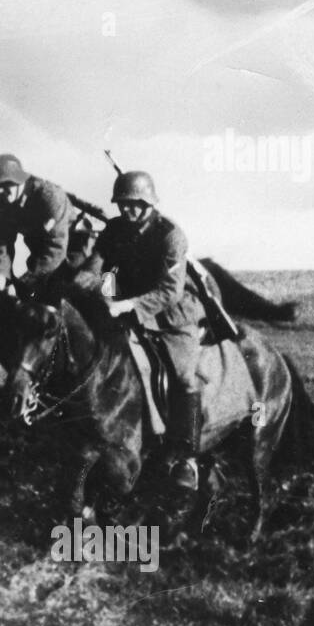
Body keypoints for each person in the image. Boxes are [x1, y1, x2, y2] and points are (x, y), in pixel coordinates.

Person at [78, 169, 205, 492]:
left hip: (170, 314)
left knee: (184, 374)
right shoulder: (115, 229)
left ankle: (186, 456)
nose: (128, 210)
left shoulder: (170, 235)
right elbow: (104, 268)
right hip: (124, 307)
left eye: (135, 204)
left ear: (149, 203)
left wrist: (128, 305)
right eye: (123, 204)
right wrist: (101, 289)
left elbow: (170, 291)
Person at [0, 153, 79, 301]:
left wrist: (26, 281)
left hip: (75, 252)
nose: (0, 191)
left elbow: (56, 247)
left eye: (5, 185)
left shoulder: (49, 196)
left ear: (18, 180)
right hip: (42, 257)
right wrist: (1, 276)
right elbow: (4, 243)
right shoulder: (3, 206)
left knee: (77, 292)